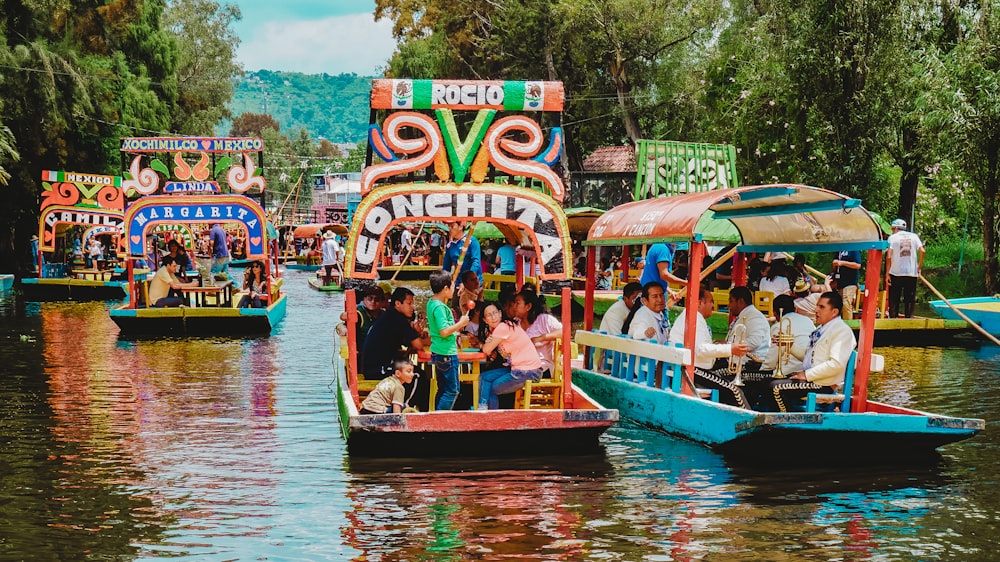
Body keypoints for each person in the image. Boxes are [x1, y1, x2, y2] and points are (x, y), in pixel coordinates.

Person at [766, 291, 857, 412]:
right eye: (817, 306)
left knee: (775, 388)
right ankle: (776, 422)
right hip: (813, 380)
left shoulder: (841, 331)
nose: (816, 310)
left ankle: (785, 424)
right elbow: (808, 356)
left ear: (834, 312)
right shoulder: (822, 329)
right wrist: (789, 345)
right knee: (766, 381)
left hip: (823, 384)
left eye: (822, 307)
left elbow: (836, 365)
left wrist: (806, 375)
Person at [668, 286, 750, 408]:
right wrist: (731, 349)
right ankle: (750, 423)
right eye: (711, 301)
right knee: (734, 391)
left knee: (729, 386)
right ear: (700, 303)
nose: (713, 305)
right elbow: (701, 349)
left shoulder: (693, 316)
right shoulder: (694, 317)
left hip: (689, 367)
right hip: (691, 370)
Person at [477, 302, 544, 410]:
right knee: (484, 377)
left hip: (527, 371)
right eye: (489, 315)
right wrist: (489, 340)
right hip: (518, 368)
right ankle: (483, 408)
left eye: (495, 313)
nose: (493, 317)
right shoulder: (498, 329)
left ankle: (489, 418)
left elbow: (487, 350)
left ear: (500, 314)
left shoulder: (503, 326)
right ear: (485, 320)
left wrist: (485, 344)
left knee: (489, 388)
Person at [361, 287, 428, 380]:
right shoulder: (398, 319)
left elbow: (408, 343)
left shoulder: (390, 315)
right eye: (409, 303)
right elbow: (418, 345)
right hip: (377, 371)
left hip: (371, 369)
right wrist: (416, 333)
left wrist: (416, 333)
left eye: (413, 304)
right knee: (419, 375)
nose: (412, 307)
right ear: (397, 304)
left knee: (414, 372)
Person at [427, 269, 470, 410]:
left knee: (443, 389)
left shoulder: (431, 303)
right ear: (445, 289)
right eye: (452, 286)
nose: (454, 288)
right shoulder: (440, 308)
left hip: (439, 351)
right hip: (446, 353)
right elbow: (444, 331)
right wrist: (461, 324)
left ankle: (435, 416)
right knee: (452, 391)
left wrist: (455, 332)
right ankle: (440, 418)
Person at [515, 288, 563, 377]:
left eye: (517, 303)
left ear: (528, 306)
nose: (514, 306)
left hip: (542, 368)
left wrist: (542, 338)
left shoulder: (543, 320)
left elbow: (564, 332)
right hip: (521, 366)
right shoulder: (516, 324)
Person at [723, 286, 771, 372]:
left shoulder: (755, 317)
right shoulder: (747, 314)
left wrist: (729, 346)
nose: (729, 305)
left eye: (731, 301)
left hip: (748, 366)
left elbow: (754, 341)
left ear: (740, 301)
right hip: (737, 362)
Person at [886, 218, 925, 319]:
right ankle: (909, 319)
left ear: (895, 228)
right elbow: (923, 251)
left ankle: (893, 319)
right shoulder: (914, 236)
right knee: (910, 299)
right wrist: (919, 267)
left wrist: (887, 273)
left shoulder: (893, 238)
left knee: (894, 299)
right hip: (912, 273)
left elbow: (889, 256)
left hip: (896, 273)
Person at [340, 286, 386, 369]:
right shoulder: (358, 314)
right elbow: (343, 320)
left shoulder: (384, 315)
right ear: (364, 299)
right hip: (361, 355)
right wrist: (342, 327)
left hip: (379, 354)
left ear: (382, 302)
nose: (373, 302)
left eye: (377, 299)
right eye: (369, 298)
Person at [442, 221, 481, 287]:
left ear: (460, 227)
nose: (449, 229)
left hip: (473, 284)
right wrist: (445, 283)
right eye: (448, 226)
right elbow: (446, 267)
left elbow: (476, 262)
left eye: (452, 226)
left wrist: (467, 281)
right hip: (457, 282)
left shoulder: (472, 241)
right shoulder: (450, 245)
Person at [832, 249, 861, 320]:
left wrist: (842, 263)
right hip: (840, 282)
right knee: (839, 305)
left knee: (846, 303)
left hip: (850, 282)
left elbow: (858, 265)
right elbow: (835, 265)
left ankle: (849, 326)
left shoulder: (853, 249)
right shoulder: (838, 250)